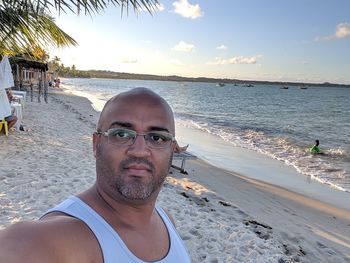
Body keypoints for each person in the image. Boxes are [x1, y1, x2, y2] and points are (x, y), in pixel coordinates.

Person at [0, 88, 191, 262]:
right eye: (122, 134)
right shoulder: (55, 239)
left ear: (172, 150)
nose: (139, 151)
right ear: (96, 144)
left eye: (157, 138)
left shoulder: (166, 220)